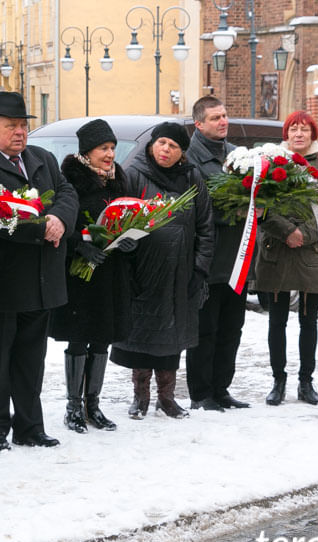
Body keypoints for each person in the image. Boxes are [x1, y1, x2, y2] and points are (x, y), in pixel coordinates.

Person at [0, 91, 78, 452]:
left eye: (23, 126)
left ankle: (30, 426)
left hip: (41, 277)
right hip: (0, 279)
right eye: (11, 126)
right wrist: (42, 228)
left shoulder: (41, 158)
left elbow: (67, 192)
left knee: (30, 358)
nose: (19, 133)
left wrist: (59, 219)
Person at [111, 122, 214, 420]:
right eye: (162, 143)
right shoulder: (133, 174)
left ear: (182, 153)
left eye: (174, 146)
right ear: (152, 145)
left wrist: (200, 268)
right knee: (141, 336)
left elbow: (206, 226)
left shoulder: (192, 177)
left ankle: (166, 398)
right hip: (142, 271)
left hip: (180, 273)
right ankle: (140, 396)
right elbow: (119, 217)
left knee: (172, 338)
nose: (166, 150)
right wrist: (125, 253)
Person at [49, 119, 135, 434]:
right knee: (79, 336)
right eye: (104, 148)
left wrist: (127, 241)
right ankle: (73, 407)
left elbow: (124, 219)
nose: (110, 154)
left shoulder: (118, 181)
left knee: (101, 337)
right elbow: (63, 222)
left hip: (110, 272)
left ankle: (92, 405)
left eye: (112, 148)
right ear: (87, 151)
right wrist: (79, 248)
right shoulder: (71, 179)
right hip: (81, 274)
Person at [256, 110, 318, 406]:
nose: (299, 134)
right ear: (286, 133)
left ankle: (306, 382)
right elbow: (260, 206)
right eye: (294, 129)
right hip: (276, 251)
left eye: (305, 129)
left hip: (310, 252)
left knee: (309, 320)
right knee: (276, 321)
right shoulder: (269, 162)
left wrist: (303, 234)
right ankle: (278, 381)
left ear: (313, 134)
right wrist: (286, 232)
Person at [184, 96, 251, 412]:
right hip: (208, 262)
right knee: (205, 329)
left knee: (231, 330)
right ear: (198, 123)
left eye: (224, 115)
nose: (222, 121)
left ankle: (222, 388)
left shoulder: (238, 156)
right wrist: (236, 211)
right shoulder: (191, 161)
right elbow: (196, 209)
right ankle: (201, 392)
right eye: (215, 118)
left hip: (237, 261)